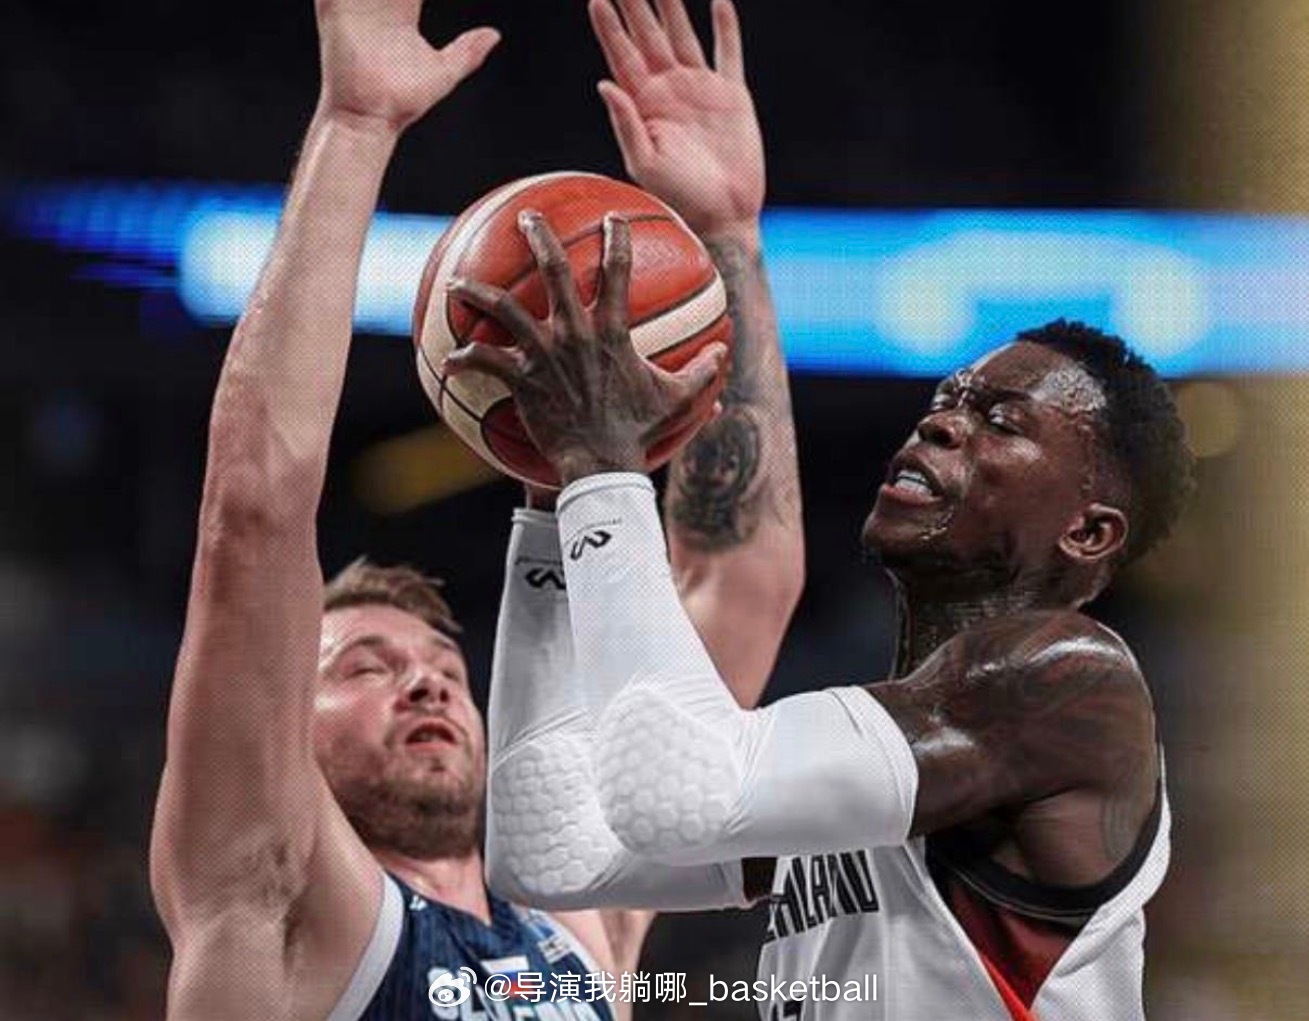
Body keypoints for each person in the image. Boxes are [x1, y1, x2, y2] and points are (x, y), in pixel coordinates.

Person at [453, 3, 1195, 1019]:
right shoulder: (897, 744)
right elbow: (551, 852)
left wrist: (601, 467)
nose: (942, 424)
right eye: (945, 401)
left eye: (999, 421)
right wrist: (550, 501)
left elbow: (678, 796)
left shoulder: (1065, 681)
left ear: (1088, 529)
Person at [146, 0, 803, 1017]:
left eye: (446, 671)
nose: (425, 683)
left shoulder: (581, 920)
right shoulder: (275, 908)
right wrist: (356, 126)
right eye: (364, 666)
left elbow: (739, 579)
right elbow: (255, 508)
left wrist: (723, 236)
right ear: (281, 729)